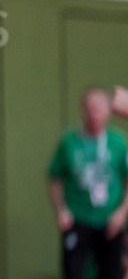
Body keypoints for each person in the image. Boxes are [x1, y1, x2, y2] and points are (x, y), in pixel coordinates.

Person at [47, 87, 128, 279]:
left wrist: (121, 213)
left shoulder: (118, 142)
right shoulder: (69, 141)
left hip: (110, 220)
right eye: (91, 108)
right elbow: (54, 177)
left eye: (100, 108)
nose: (95, 114)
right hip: (78, 218)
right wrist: (61, 209)